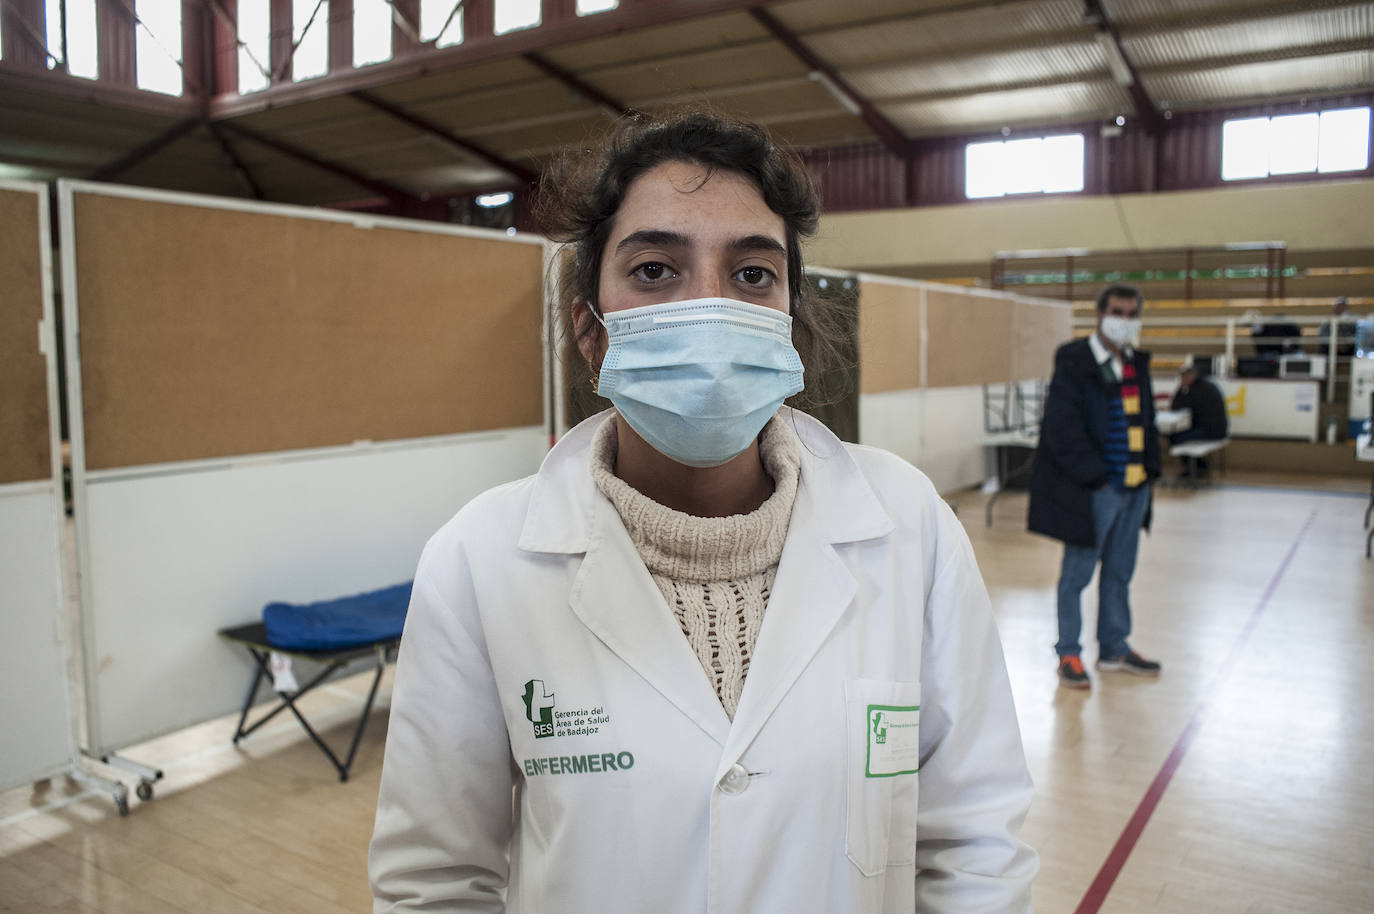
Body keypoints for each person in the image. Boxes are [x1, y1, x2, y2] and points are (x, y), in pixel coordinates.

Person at [368, 111, 1037, 913]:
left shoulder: (909, 524)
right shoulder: (479, 562)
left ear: (789, 318)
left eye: (753, 274)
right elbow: (435, 882)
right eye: (655, 270)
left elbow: (976, 843)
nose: (711, 308)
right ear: (591, 330)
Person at [1027, 283, 1162, 690]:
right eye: (1117, 312)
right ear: (1100, 314)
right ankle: (1069, 650)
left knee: (1120, 571)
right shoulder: (1075, 359)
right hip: (1097, 490)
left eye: (1131, 313)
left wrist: (1150, 473)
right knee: (1077, 574)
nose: (1124, 320)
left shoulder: (1136, 362)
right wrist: (1097, 479)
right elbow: (1061, 427)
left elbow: (1147, 421)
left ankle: (1115, 647)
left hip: (1135, 489)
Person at [1169, 361, 1229, 476]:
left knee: (1175, 437)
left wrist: (1180, 388)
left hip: (1212, 430)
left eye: (1184, 376)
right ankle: (1197, 467)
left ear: (1192, 375)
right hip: (1215, 428)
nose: (1182, 379)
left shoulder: (1197, 390)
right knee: (1177, 435)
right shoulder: (1206, 385)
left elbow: (1175, 407)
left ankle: (1197, 468)